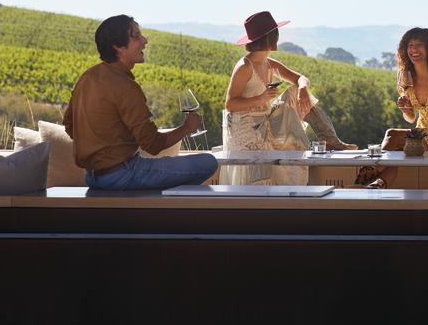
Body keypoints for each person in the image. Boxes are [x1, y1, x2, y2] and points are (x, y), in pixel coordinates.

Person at [64, 15, 218, 190]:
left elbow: (69, 125)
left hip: (92, 177)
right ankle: (160, 208)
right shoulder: (125, 86)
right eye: (136, 36)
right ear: (118, 46)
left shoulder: (87, 77)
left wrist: (103, 145)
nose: (145, 41)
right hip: (123, 175)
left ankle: (152, 204)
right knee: (208, 162)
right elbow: (153, 145)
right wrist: (187, 128)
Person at [222, 10, 353, 185]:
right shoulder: (245, 66)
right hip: (246, 130)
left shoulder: (269, 64)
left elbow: (300, 78)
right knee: (258, 179)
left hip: (265, 122)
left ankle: (329, 138)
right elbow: (230, 104)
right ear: (270, 37)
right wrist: (260, 99)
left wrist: (303, 88)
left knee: (294, 90)